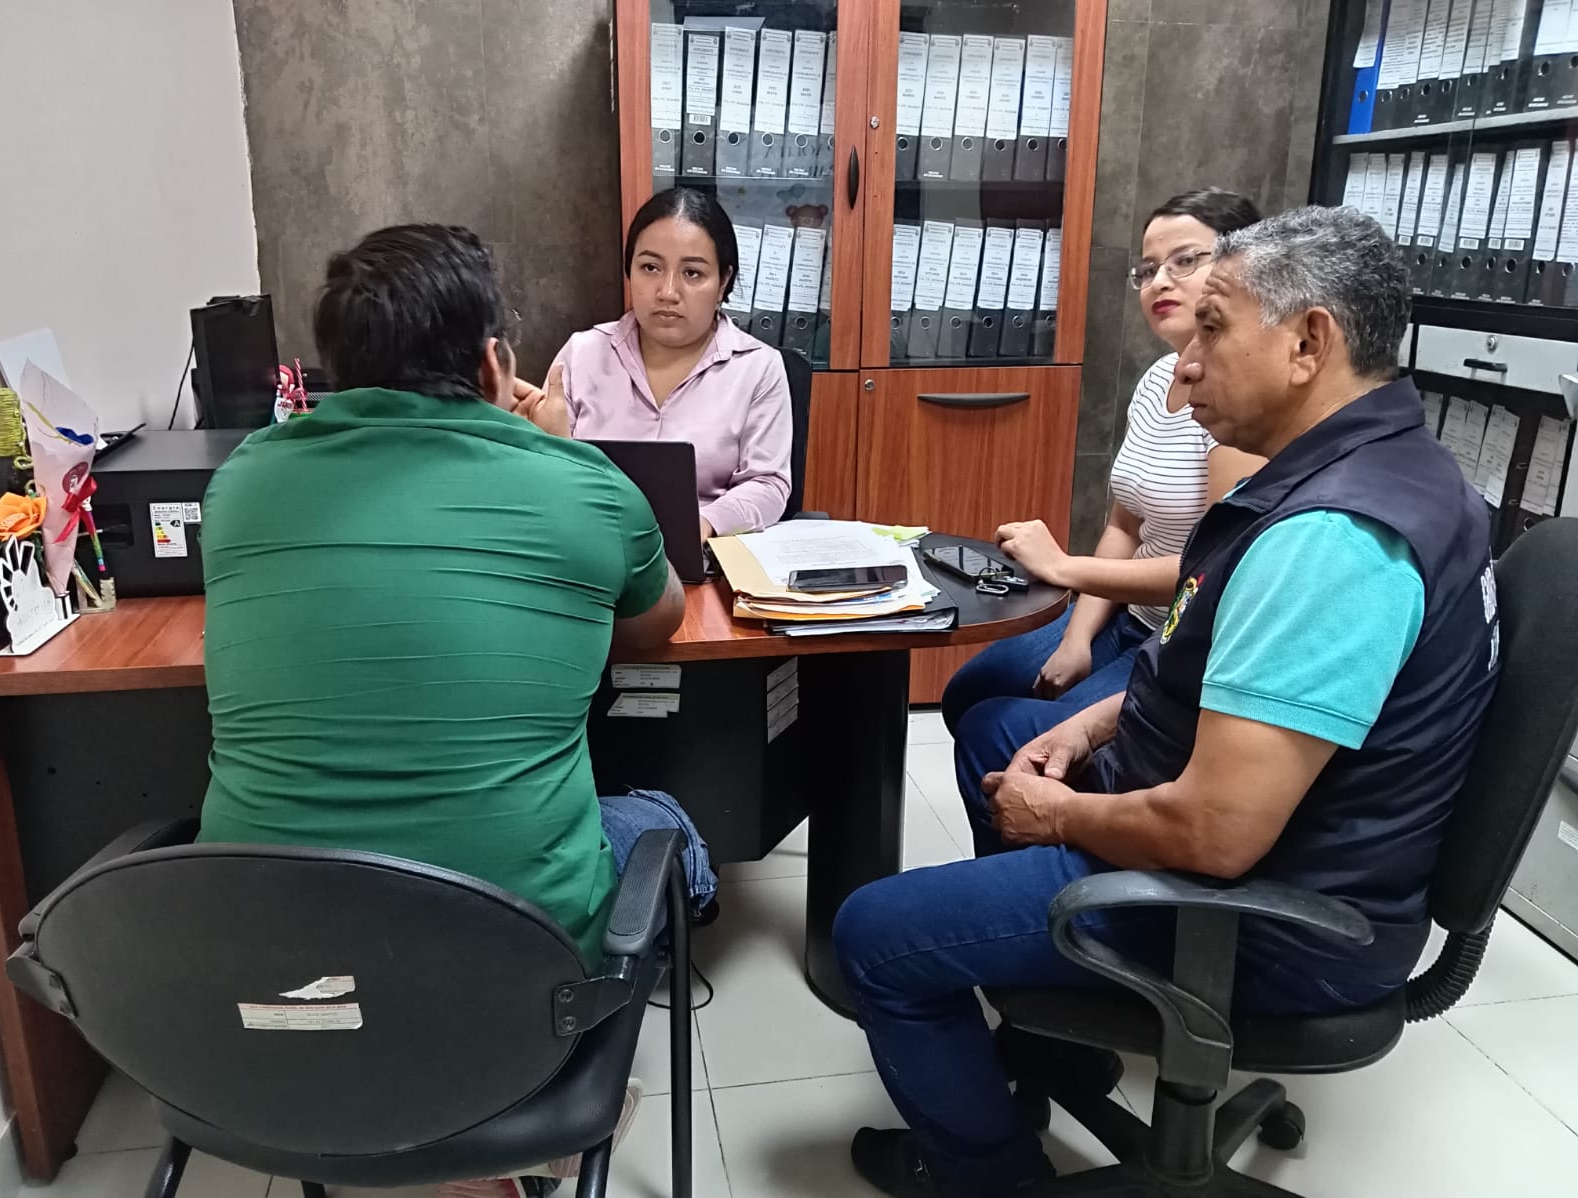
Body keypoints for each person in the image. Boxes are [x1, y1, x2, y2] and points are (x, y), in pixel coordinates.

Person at [834, 206, 1500, 1198]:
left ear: (1308, 342)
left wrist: (1058, 814)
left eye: (1212, 329)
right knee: (1005, 737)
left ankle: (994, 1180)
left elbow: (1216, 833)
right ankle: (1057, 1052)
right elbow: (1221, 670)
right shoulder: (1397, 469)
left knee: (873, 936)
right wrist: (1088, 722)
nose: (1185, 365)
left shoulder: (1331, 540)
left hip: (1266, 921)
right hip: (1289, 866)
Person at [198, 224, 711, 1198]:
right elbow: (656, 624)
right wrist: (556, 452)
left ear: (334, 372)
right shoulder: (581, 486)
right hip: (515, 978)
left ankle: (443, 1149)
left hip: (270, 976)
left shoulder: (240, 485)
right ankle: (509, 1146)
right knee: (666, 828)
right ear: (491, 364)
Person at [941, 189, 1263, 737]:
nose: (1160, 282)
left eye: (1185, 260)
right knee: (968, 692)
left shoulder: (1237, 405)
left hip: (1182, 638)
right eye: (1149, 269)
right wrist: (1077, 638)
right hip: (1127, 612)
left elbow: (1209, 571)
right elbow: (1123, 525)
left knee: (998, 733)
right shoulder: (1158, 378)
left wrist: (1063, 567)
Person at [514, 188, 793, 541]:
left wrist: (703, 524)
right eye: (650, 268)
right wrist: (538, 442)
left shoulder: (758, 368)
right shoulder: (582, 354)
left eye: (692, 273)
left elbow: (768, 483)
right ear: (629, 271)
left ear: (723, 281)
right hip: (593, 544)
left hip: (705, 552)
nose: (668, 292)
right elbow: (547, 478)